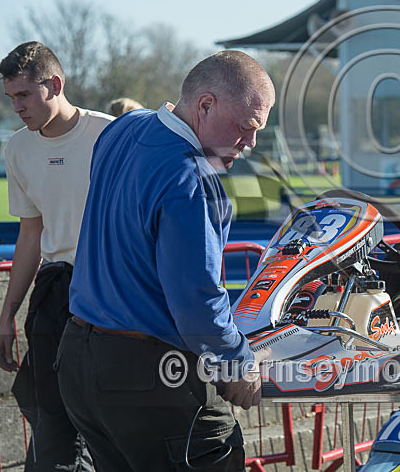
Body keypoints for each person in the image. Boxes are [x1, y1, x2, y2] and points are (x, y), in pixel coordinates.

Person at [57, 50, 274, 471]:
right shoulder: (194, 178)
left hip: (79, 362)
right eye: (246, 127)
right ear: (205, 104)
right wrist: (237, 363)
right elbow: (198, 304)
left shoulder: (123, 129)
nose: (250, 144)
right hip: (148, 375)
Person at [0, 41, 114, 471]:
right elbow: (30, 234)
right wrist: (6, 317)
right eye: (11, 98)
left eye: (24, 95)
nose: (16, 107)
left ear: (54, 84)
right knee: (48, 410)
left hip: (112, 294)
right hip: (55, 291)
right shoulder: (18, 148)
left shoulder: (110, 133)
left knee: (103, 417)